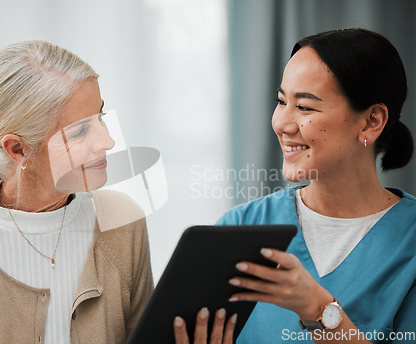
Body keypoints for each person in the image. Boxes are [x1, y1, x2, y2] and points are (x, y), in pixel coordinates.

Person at [174, 28, 416, 343]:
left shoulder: (409, 242)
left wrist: (318, 309)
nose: (282, 123)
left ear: (371, 120)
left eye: (304, 107)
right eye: (281, 101)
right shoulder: (239, 228)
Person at [0, 41, 153, 343]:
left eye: (101, 117)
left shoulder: (123, 221)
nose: (107, 141)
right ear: (18, 149)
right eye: (80, 131)